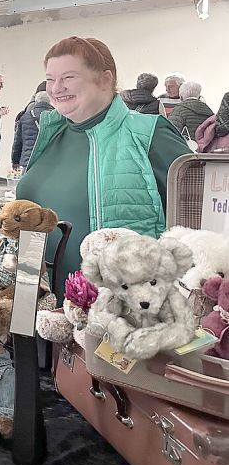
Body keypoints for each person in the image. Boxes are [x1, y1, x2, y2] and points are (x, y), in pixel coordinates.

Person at [16, 36, 190, 298]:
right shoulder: (51, 134)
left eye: (69, 77)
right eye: (51, 79)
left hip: (113, 314)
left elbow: (196, 223)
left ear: (105, 80)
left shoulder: (147, 134)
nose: (56, 88)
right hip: (37, 302)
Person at [12, 90, 53, 171]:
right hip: (49, 161)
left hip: (28, 161)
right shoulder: (55, 117)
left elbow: (18, 141)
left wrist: (15, 160)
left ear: (36, 102)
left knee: (28, 183)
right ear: (50, 101)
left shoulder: (25, 117)